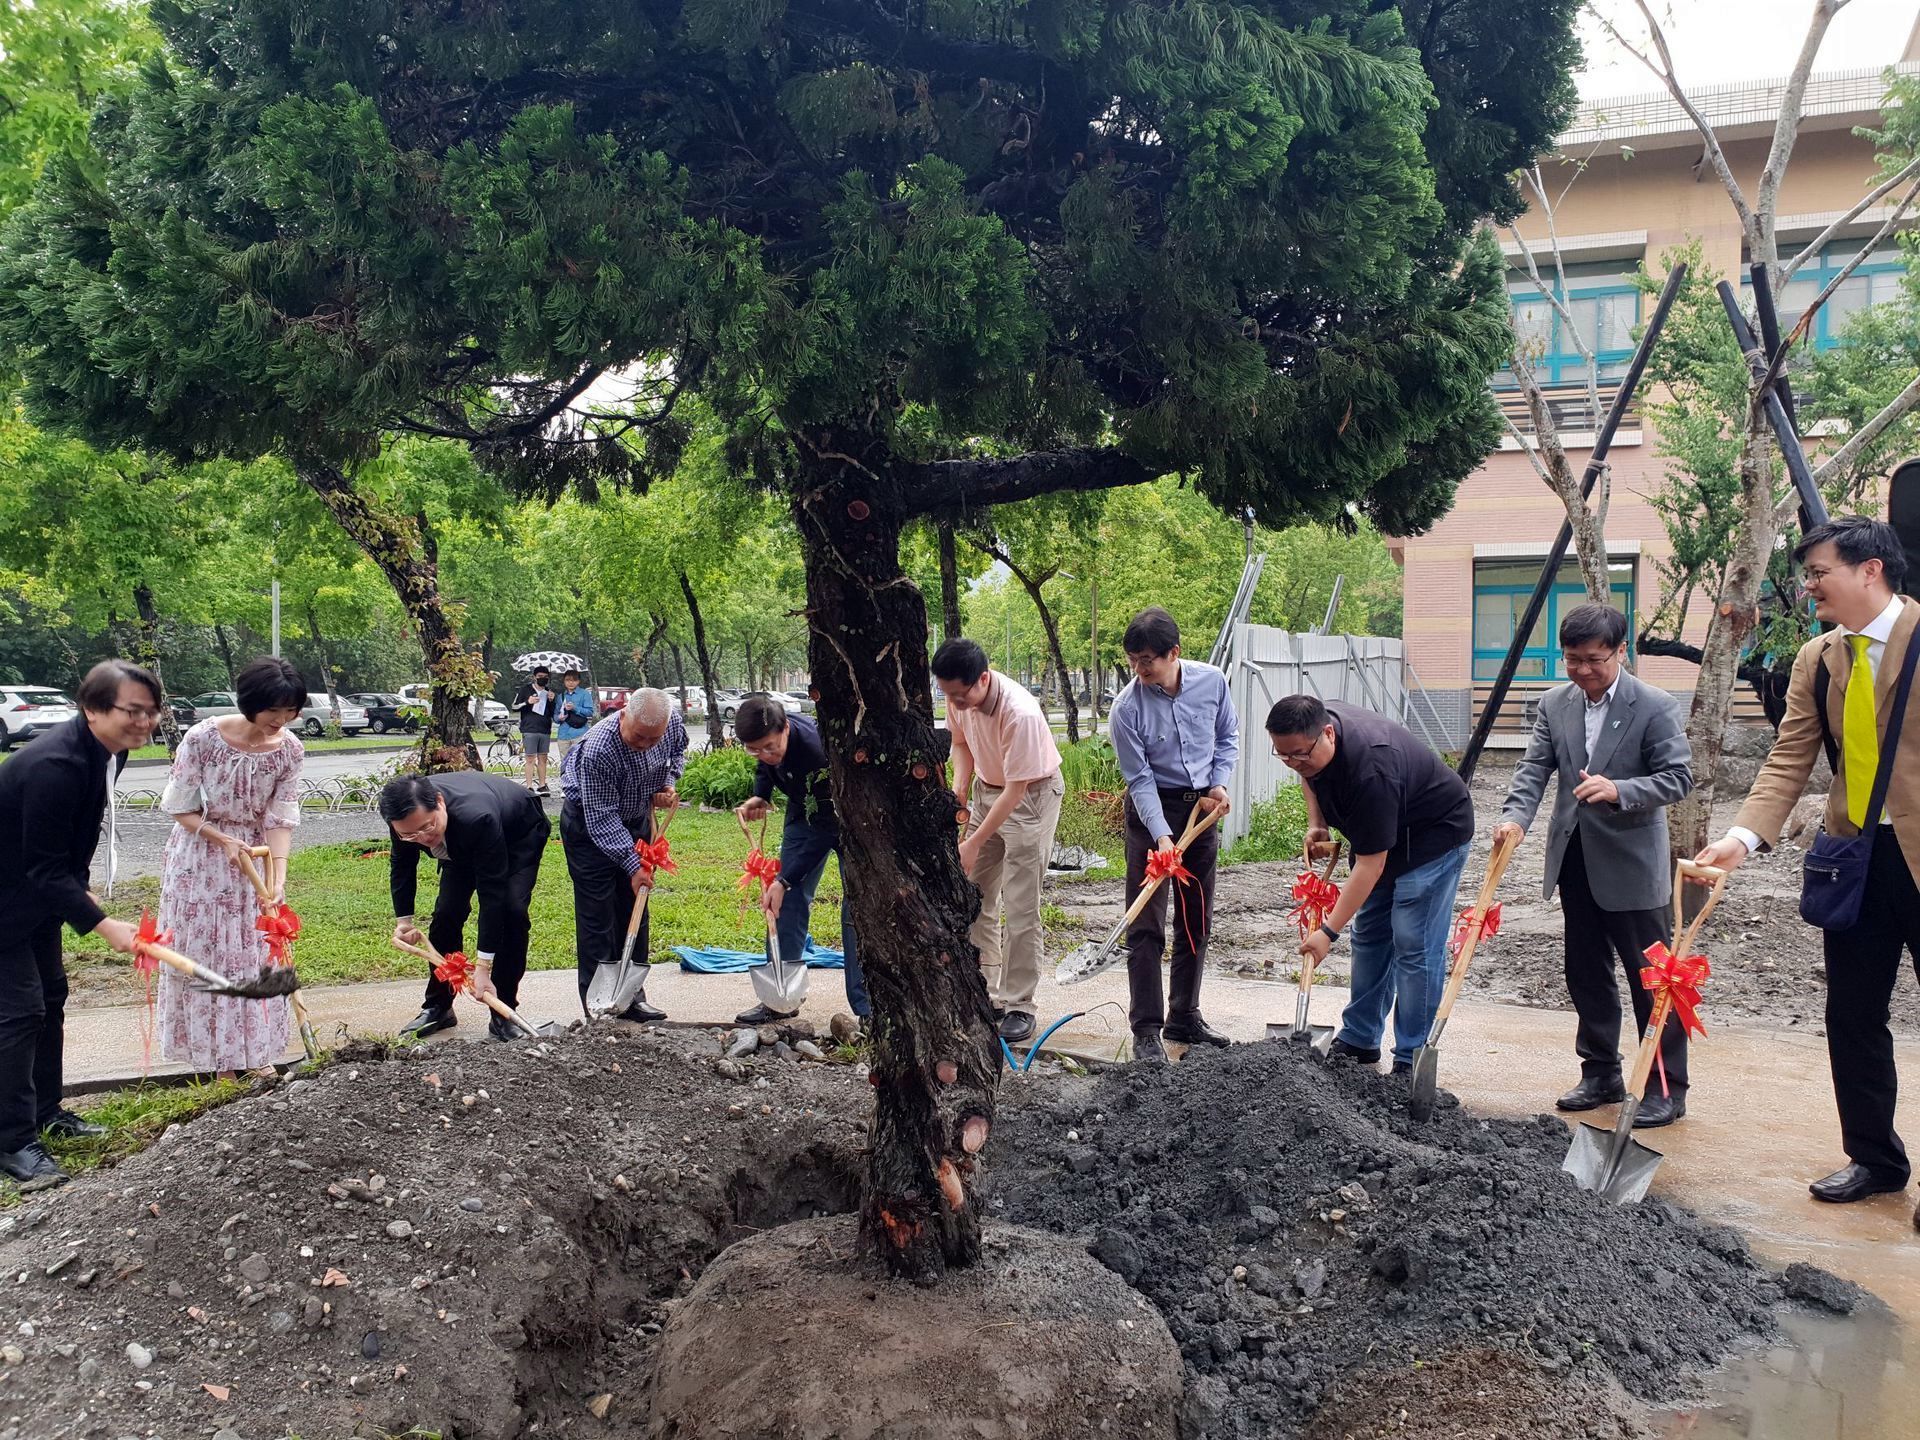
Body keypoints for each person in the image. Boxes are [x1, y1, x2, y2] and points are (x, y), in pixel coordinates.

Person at [1696, 516, 1920, 1207]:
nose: (1809, 586)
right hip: (1855, 854)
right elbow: (1789, 758)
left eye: (1820, 572)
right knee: (1851, 1013)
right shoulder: (1819, 657)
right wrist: (1742, 837)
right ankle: (1874, 1159)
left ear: (1869, 570)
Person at [1493, 604, 1695, 1123]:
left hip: (1631, 864)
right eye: (1572, 659)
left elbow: (1678, 778)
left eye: (1594, 659)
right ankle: (1600, 1070)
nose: (1582, 670)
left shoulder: (1654, 705)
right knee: (1585, 971)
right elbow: (1534, 767)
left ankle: (1664, 1088)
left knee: (1652, 978)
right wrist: (1515, 818)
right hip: (1575, 859)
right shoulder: (1554, 704)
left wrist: (1620, 789)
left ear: (1620, 652)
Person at [0, 660, 158, 1189]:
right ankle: (13, 1141)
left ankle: (48, 1113)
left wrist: (78, 888)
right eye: (132, 711)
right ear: (91, 708)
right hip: (8, 899)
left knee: (51, 998)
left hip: (34, 896)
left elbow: (73, 839)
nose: (145, 722)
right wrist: (100, 922)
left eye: (152, 711)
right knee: (19, 1013)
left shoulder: (111, 753)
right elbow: (41, 866)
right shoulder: (55, 765)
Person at [1272, 694, 1474, 1073]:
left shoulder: (1371, 769)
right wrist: (1317, 822)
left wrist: (1328, 932)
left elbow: (1370, 866)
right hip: (1382, 829)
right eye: (1283, 756)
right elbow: (1309, 774)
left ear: (1328, 734)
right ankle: (1361, 1037)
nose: (1292, 762)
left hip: (1434, 834)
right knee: (1370, 933)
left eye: (1299, 754)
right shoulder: (1313, 730)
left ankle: (1410, 1056)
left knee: (1413, 941)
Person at [157, 656, 308, 1079]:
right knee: (209, 956)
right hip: (202, 858)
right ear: (249, 703)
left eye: (289, 710)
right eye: (272, 710)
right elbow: (179, 806)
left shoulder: (291, 751)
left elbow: (280, 818)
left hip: (255, 861)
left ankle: (255, 1055)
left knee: (255, 956)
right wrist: (220, 838)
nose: (281, 719)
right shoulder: (203, 738)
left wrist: (278, 878)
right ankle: (219, 1064)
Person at [1107, 607, 1238, 1062]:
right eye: (1132, 660)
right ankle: (1146, 1029)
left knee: (1194, 917)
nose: (1139, 670)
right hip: (1151, 812)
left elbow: (1227, 736)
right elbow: (1139, 779)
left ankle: (1185, 1014)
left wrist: (1218, 781)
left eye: (1147, 660)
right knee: (1145, 923)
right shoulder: (1126, 708)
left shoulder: (1212, 681)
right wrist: (1161, 836)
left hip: (1201, 809)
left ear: (1174, 654)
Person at [933, 638, 1064, 1044]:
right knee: (975, 895)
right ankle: (985, 990)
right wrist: (959, 788)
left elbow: (1016, 789)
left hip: (1030, 796)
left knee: (1021, 902)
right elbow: (959, 743)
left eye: (960, 694)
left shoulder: (1019, 713)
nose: (954, 703)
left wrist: (972, 842)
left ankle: (1020, 1004)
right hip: (988, 790)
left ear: (984, 679)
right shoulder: (959, 700)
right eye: (947, 695)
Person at [731, 695, 870, 1026]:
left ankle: (866, 1007)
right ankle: (780, 999)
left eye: (769, 746)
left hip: (849, 819)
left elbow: (826, 829)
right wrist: (760, 794)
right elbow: (766, 764)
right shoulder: (769, 742)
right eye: (755, 749)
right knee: (786, 903)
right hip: (804, 808)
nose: (765, 754)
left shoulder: (816, 752)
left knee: (857, 909)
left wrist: (784, 879)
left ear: (786, 728)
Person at [381, 770, 551, 1041]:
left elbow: (491, 893)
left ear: (439, 802)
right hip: (458, 840)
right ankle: (439, 1006)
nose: (423, 838)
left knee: (511, 911)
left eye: (427, 827)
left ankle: (503, 1011)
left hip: (517, 832)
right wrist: (404, 921)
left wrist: (483, 968)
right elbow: (402, 865)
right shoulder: (406, 823)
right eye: (411, 835)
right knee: (447, 914)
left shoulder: (477, 817)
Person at [560, 687, 687, 1021]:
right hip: (589, 827)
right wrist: (633, 864)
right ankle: (597, 1003)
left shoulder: (670, 724)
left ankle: (632, 997)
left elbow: (678, 754)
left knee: (635, 906)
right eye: (638, 737)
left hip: (636, 820)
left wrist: (666, 784)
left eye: (652, 739)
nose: (645, 744)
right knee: (597, 916)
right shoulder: (599, 748)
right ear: (623, 715)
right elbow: (601, 818)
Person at [511, 666, 556, 795]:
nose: (543, 679)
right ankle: (529, 786)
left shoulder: (549, 692)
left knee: (543, 758)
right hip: (529, 728)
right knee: (530, 758)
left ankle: (542, 785)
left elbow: (553, 712)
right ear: (534, 677)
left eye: (545, 677)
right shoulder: (525, 690)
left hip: (545, 729)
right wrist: (527, 702)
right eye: (540, 676)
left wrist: (552, 701)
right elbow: (514, 706)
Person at [554, 670, 594, 763]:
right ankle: (565, 778)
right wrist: (559, 718)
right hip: (563, 734)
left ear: (578, 681)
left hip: (579, 733)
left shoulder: (584, 694)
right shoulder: (561, 696)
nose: (571, 682)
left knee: (580, 761)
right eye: (568, 680)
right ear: (564, 681)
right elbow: (555, 716)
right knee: (564, 762)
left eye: (574, 680)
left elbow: (590, 712)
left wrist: (575, 708)